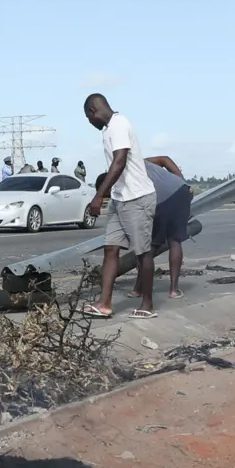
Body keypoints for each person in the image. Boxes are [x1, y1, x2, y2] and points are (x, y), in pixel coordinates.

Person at [81, 94, 158, 319]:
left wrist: (98, 196)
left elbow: (119, 161)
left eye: (88, 118)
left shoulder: (119, 124)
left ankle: (148, 304)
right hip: (120, 198)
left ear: (93, 110)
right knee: (111, 248)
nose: (89, 123)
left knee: (142, 253)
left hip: (138, 198)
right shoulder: (109, 128)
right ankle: (104, 303)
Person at [100, 155, 191, 301]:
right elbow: (164, 159)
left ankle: (139, 289)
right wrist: (181, 181)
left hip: (166, 196)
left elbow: (164, 159)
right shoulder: (135, 163)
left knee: (151, 246)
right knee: (171, 241)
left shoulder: (125, 179)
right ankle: (172, 290)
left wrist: (181, 180)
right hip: (177, 191)